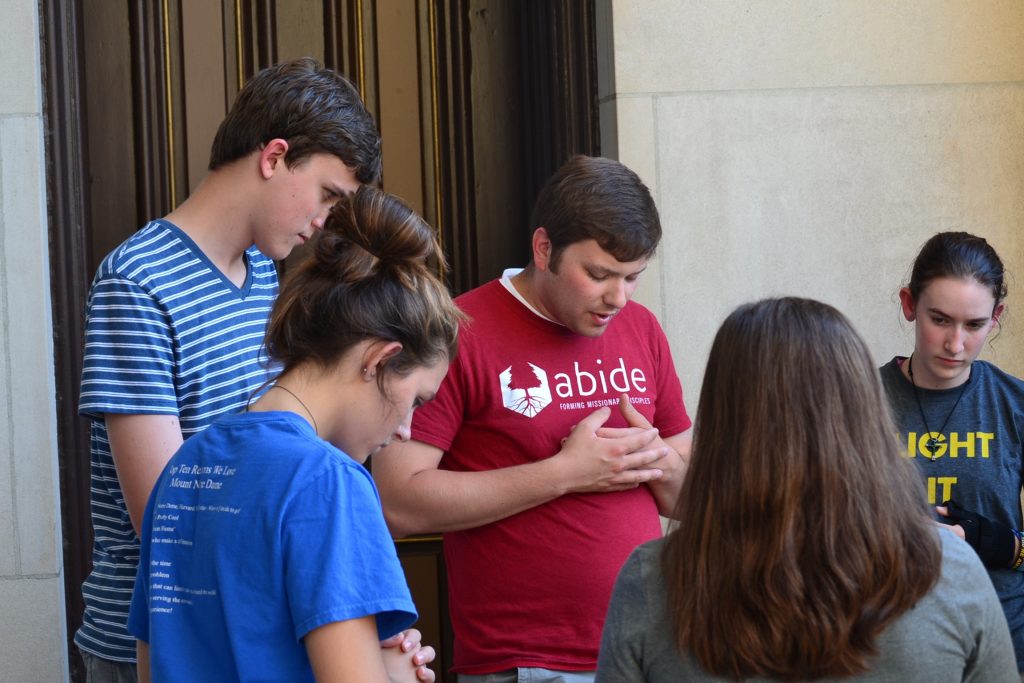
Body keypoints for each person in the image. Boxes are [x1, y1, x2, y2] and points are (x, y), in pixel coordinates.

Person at [75, 57, 380, 680]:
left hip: (244, 626)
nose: (325, 221)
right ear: (273, 156)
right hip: (160, 643)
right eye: (327, 194)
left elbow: (275, 451)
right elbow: (168, 510)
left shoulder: (264, 274)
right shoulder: (136, 282)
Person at [372, 155, 692, 681]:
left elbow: (692, 500)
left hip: (649, 650)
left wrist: (663, 464)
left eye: (633, 277)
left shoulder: (643, 329)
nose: (619, 298)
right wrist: (565, 474)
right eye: (598, 275)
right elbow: (396, 501)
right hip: (525, 664)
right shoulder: (461, 332)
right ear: (543, 248)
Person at [127, 186, 457, 682]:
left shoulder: (187, 463)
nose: (407, 429)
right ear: (379, 359)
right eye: (416, 400)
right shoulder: (330, 482)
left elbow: (152, 663)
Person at [597, 296, 1017, 682]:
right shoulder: (950, 571)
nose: (955, 342)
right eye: (940, 318)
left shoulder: (653, 581)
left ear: (724, 420)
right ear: (867, 415)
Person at [879, 231, 1024, 674]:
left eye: (974, 325)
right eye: (939, 319)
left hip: (1003, 641)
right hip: (890, 642)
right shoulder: (857, 401)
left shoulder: (1014, 405)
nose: (956, 344)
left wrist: (993, 542)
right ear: (909, 304)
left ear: (996, 317)